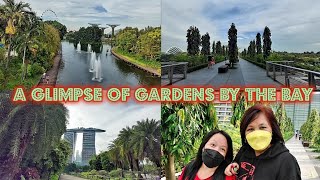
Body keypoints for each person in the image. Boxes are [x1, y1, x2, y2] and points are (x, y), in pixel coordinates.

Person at [224, 104, 301, 180]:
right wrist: (232, 167)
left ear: (272, 129)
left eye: (262, 127)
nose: (257, 134)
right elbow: (235, 165)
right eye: (250, 129)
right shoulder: (244, 151)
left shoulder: (286, 161)